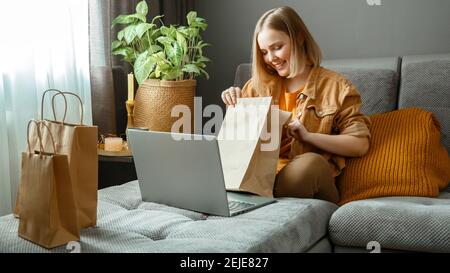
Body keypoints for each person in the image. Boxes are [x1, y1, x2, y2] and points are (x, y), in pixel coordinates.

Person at [220, 6, 371, 204]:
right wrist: (233, 105)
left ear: (299, 38)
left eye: (277, 47)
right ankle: (253, 202)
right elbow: (237, 146)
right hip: (259, 181)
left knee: (311, 164)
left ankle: (263, 202)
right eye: (264, 52)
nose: (271, 58)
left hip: (307, 183)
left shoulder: (337, 87)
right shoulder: (257, 86)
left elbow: (360, 144)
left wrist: (309, 137)